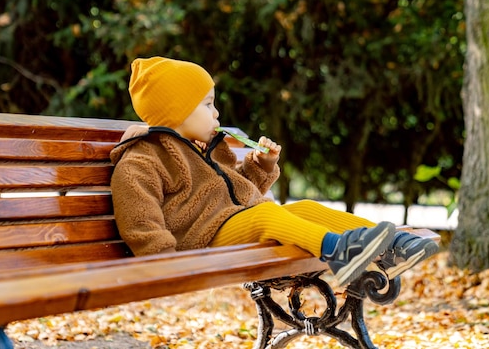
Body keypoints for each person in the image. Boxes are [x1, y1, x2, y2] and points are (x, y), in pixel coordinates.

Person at [110, 56, 438, 286]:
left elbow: (235, 191)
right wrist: (167, 261)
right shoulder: (145, 158)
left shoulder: (204, 148)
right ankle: (339, 252)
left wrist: (259, 165)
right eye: (207, 104)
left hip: (233, 225)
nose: (216, 111)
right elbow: (139, 220)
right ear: (176, 112)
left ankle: (395, 243)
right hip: (198, 244)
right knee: (269, 217)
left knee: (304, 208)